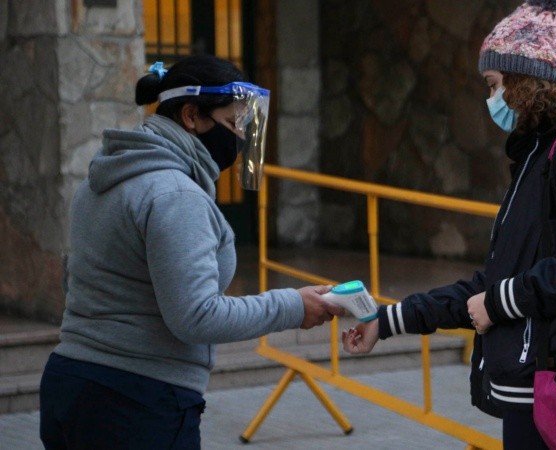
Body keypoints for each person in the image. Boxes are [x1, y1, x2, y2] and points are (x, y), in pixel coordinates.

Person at [342, 1, 556, 448]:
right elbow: (498, 282)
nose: (490, 98)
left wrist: (499, 303)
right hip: (541, 392)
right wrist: (388, 320)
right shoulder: (539, 154)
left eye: (494, 84)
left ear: (526, 80)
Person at [39, 54, 345, 449]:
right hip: (136, 403)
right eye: (234, 124)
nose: (241, 139)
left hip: (71, 386)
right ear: (190, 116)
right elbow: (197, 316)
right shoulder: (175, 194)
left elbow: (77, 279)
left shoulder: (103, 179)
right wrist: (293, 306)